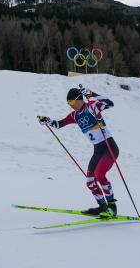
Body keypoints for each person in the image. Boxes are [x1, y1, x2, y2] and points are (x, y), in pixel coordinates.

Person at [38, 87, 119, 216]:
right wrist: (47, 121)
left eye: (71, 103)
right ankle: (102, 206)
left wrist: (92, 94)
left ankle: (112, 207)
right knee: (90, 181)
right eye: (68, 104)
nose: (71, 106)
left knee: (99, 174)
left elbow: (110, 103)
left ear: (79, 99)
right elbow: (59, 124)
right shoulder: (74, 116)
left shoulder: (92, 107)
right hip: (97, 151)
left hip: (109, 148)